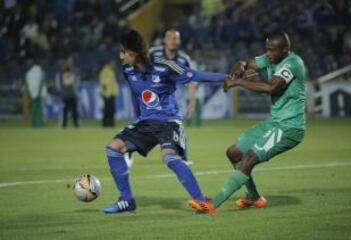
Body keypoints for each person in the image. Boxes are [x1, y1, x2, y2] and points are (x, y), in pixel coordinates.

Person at [102, 29, 226, 214]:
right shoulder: (127, 70)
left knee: (168, 157)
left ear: (133, 52)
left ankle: (203, 201)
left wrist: (227, 78)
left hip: (169, 121)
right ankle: (127, 200)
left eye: (123, 51)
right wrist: (137, 120)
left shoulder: (165, 67)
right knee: (113, 148)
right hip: (145, 123)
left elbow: (195, 75)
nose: (120, 56)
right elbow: (138, 98)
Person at [188, 32, 306, 214]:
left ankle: (212, 204)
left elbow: (271, 87)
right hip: (273, 123)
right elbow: (247, 63)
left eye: (272, 50)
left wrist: (239, 82)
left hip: (288, 127)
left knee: (249, 157)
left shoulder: (293, 63)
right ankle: (253, 197)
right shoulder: (269, 58)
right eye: (267, 49)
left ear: (285, 50)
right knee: (234, 152)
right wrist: (240, 64)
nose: (268, 54)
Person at [149, 29, 197, 121]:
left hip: (173, 101)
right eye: (169, 38)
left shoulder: (184, 59)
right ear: (164, 40)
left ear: (179, 41)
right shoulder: (153, 53)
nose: (172, 41)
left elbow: (191, 82)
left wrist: (192, 103)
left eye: (175, 38)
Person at [55, 57, 80, 128]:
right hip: (66, 94)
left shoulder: (70, 71)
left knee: (73, 111)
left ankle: (74, 124)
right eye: (68, 62)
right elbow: (58, 83)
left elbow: (77, 82)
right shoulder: (65, 72)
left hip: (71, 94)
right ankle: (65, 124)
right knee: (66, 111)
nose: (69, 63)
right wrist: (61, 91)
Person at [25, 59, 47, 128]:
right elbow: (42, 82)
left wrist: (30, 93)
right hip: (41, 94)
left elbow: (27, 84)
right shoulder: (41, 72)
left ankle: (34, 124)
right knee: (40, 111)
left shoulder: (28, 73)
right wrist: (38, 93)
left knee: (33, 110)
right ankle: (40, 125)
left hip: (32, 94)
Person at [99, 59, 119, 127]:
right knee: (107, 110)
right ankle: (106, 124)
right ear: (109, 64)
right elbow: (103, 83)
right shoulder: (105, 71)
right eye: (112, 63)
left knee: (110, 110)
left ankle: (110, 124)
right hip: (107, 94)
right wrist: (106, 93)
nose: (114, 65)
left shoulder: (110, 71)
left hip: (112, 93)